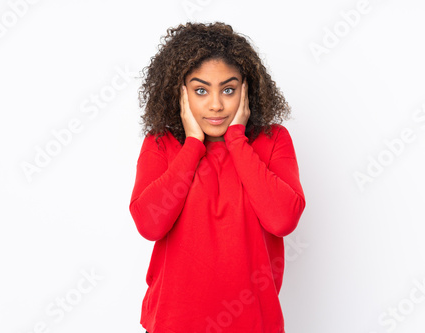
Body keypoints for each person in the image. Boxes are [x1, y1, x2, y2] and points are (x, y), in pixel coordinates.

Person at [129, 21, 306, 333]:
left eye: (228, 89)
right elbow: (150, 224)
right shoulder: (161, 144)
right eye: (200, 90)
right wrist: (193, 145)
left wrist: (237, 140)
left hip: (253, 324)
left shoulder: (272, 140)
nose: (215, 104)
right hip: (173, 324)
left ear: (247, 90)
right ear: (179, 93)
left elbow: (282, 220)